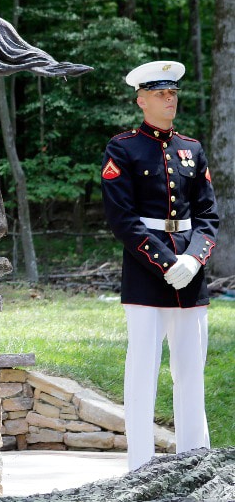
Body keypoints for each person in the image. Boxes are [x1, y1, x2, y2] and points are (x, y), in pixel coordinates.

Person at [101, 60, 217, 471]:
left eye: (173, 93)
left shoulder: (192, 149)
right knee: (142, 372)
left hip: (190, 273)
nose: (171, 100)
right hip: (145, 272)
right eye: (161, 94)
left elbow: (208, 216)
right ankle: (139, 467)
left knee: (191, 373)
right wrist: (166, 261)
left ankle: (195, 462)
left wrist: (192, 258)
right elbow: (122, 218)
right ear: (142, 100)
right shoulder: (124, 148)